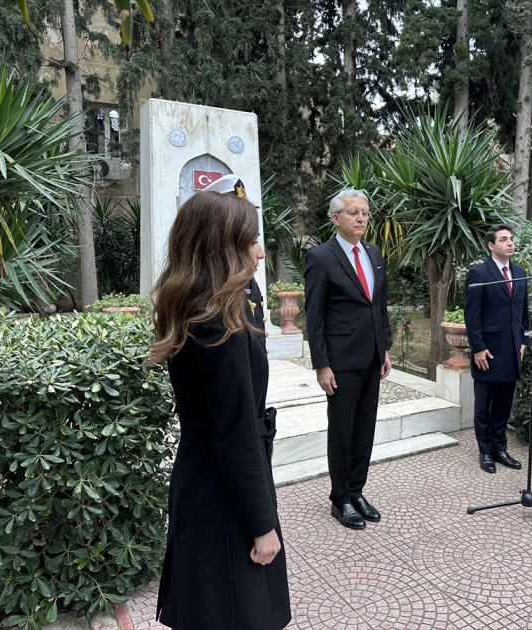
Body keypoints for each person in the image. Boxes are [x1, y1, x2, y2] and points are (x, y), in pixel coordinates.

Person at [150, 176, 291, 629]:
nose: (260, 253)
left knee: (208, 607)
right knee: (237, 613)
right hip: (223, 490)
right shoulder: (218, 325)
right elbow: (235, 434)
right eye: (250, 241)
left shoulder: (196, 303)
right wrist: (262, 525)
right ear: (220, 247)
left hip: (204, 479)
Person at [304, 189, 393, 530]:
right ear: (335, 218)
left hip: (371, 356)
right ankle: (340, 498)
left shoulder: (373, 252)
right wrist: (321, 364)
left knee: (365, 428)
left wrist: (384, 348)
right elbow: (315, 317)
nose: (361, 218)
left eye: (365, 213)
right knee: (343, 431)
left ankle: (357, 491)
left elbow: (379, 306)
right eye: (354, 212)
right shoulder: (320, 257)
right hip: (340, 360)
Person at [464, 224, 529, 473]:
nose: (510, 243)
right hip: (488, 352)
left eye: (511, 238)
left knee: (503, 404)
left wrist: (523, 341)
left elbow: (523, 312)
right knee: (483, 406)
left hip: (511, 349)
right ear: (491, 245)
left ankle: (499, 449)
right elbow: (472, 314)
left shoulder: (520, 272)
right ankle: (485, 451)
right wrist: (478, 347)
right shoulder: (479, 273)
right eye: (504, 239)